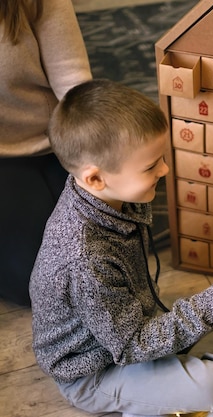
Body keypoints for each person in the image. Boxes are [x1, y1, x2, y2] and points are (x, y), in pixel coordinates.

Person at [28, 79, 213, 417]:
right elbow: (130, 346)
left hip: (139, 320)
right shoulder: (83, 258)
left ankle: (174, 382)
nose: (165, 170)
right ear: (96, 178)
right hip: (97, 371)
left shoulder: (111, 196)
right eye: (151, 166)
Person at [0, 0, 92, 306]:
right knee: (35, 286)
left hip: (51, 140)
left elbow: (73, 81)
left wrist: (98, 148)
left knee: (94, 261)